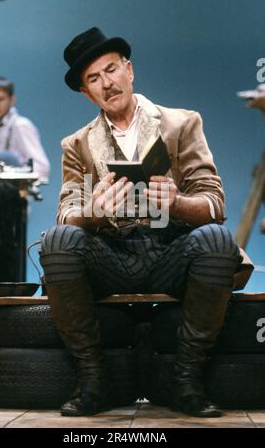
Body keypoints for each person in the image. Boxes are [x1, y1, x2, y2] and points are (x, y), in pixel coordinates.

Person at [39, 27, 252, 418]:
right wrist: (94, 212)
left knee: (218, 240)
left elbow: (214, 203)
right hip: (114, 254)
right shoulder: (78, 145)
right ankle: (92, 380)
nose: (107, 83)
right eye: (94, 79)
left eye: (112, 69)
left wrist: (178, 203)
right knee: (57, 240)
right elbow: (67, 209)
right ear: (86, 93)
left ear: (130, 70)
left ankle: (186, 381)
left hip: (171, 251)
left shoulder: (181, 123)